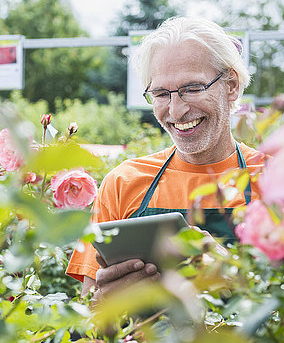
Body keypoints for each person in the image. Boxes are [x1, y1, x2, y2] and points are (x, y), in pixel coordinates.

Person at [65, 16, 267, 300]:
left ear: (231, 85)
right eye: (161, 93)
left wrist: (235, 273)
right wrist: (103, 306)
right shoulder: (123, 183)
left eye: (192, 88)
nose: (176, 110)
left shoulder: (278, 181)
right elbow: (88, 316)